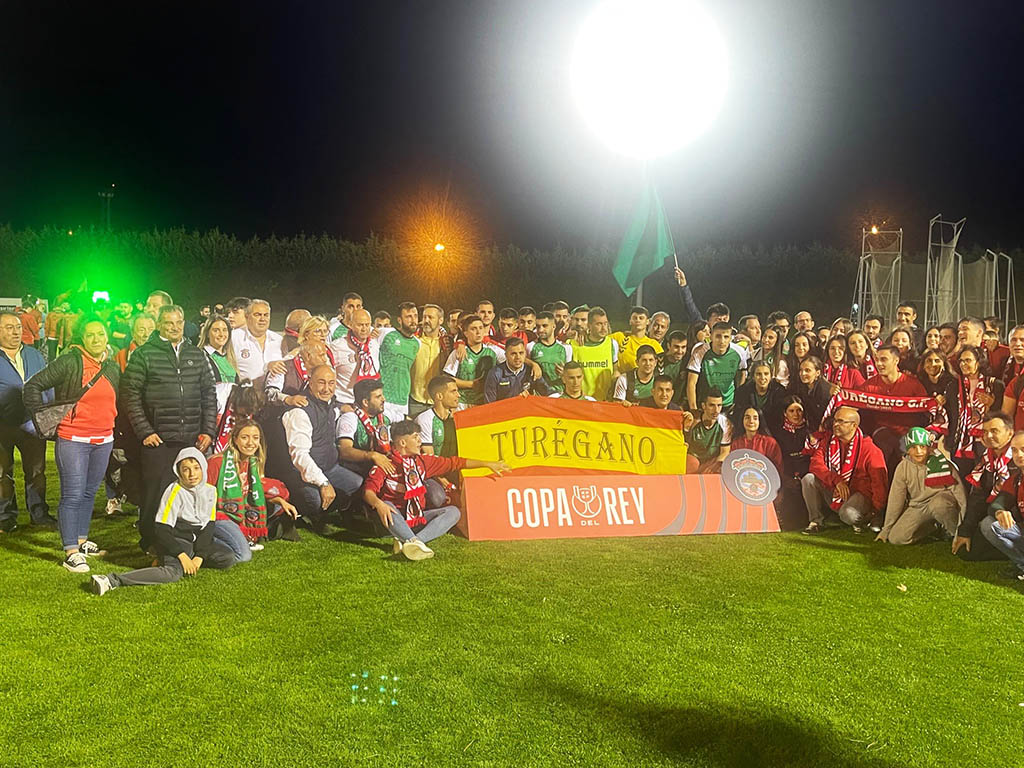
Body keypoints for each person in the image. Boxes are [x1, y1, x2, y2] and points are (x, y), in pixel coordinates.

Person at [119, 304, 217, 552]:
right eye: (169, 323)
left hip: (192, 439)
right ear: (159, 324)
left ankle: (184, 542)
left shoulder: (196, 354)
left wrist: (208, 429)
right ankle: (151, 543)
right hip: (158, 440)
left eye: (179, 322)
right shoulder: (144, 354)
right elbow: (130, 395)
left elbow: (209, 394)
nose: (175, 327)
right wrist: (145, 431)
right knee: (155, 493)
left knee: (191, 489)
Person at [23, 316, 118, 569]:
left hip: (104, 438)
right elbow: (33, 386)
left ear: (107, 337)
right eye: (90, 335)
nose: (96, 339)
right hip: (74, 438)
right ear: (82, 338)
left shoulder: (111, 366)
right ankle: (70, 551)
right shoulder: (70, 361)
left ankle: (82, 539)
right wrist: (42, 418)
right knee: (73, 494)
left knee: (89, 493)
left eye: (100, 334)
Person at [90, 448, 236, 595]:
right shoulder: (174, 491)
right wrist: (181, 555)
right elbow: (162, 529)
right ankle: (112, 580)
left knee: (227, 558)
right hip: (177, 539)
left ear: (203, 468)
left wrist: (199, 557)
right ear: (178, 472)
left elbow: (208, 526)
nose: (192, 474)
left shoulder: (210, 490)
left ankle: (176, 560)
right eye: (186, 469)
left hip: (196, 541)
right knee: (172, 573)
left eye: (196, 468)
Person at [363, 420, 509, 560]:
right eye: (415, 437)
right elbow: (368, 492)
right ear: (402, 442)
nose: (420, 441)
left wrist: (487, 464)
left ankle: (413, 543)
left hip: (416, 518)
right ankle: (413, 541)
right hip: (393, 520)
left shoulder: (422, 461)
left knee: (453, 512)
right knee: (387, 505)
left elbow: (456, 463)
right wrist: (379, 504)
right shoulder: (386, 464)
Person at [276, 365, 360, 533]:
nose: (327, 388)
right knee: (313, 500)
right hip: (298, 473)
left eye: (331, 383)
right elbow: (299, 455)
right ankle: (311, 516)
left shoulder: (331, 404)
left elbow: (335, 407)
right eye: (321, 383)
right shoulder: (299, 412)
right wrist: (323, 483)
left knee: (357, 484)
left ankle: (337, 514)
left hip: (329, 467)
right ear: (310, 383)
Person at [205, 419, 297, 559]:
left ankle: (240, 538)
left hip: (239, 512)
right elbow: (203, 496)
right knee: (243, 556)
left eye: (255, 438)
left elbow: (255, 490)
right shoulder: (217, 462)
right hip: (219, 515)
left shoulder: (252, 462)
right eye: (244, 437)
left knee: (276, 507)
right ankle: (207, 544)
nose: (250, 443)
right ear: (235, 439)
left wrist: (282, 501)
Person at [0, 311, 53, 532]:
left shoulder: (35, 355)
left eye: (18, 327)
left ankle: (39, 514)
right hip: (2, 425)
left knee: (36, 471)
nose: (15, 332)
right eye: (9, 327)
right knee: (2, 472)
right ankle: (5, 517)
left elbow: (48, 385)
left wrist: (48, 415)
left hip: (32, 424)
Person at [801, 406, 887, 535]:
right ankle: (816, 522)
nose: (835, 424)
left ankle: (864, 520)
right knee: (808, 479)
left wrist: (876, 511)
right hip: (835, 489)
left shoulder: (870, 450)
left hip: (859, 495)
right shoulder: (828, 441)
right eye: (835, 420)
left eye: (841, 421)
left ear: (854, 425)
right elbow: (815, 464)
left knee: (848, 515)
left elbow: (879, 483)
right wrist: (836, 480)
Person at [876, 427, 964, 546]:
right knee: (896, 538)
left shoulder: (943, 464)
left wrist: (963, 530)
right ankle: (933, 528)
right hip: (918, 506)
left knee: (938, 505)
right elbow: (896, 498)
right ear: (908, 450)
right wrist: (886, 529)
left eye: (922, 447)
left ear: (929, 448)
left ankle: (953, 533)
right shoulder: (903, 468)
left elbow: (960, 494)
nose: (918, 451)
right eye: (913, 447)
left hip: (942, 503)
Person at [953, 411, 1015, 562]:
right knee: (966, 552)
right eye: (985, 432)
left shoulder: (1018, 459)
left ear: (1010, 433)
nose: (988, 436)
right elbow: (978, 497)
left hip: (1015, 517)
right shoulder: (986, 459)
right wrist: (965, 531)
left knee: (988, 525)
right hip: (995, 513)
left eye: (994, 431)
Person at [860, 344, 929, 477]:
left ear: (896, 361)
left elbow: (927, 410)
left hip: (908, 431)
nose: (879, 364)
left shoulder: (913, 384)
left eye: (884, 359)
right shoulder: (869, 385)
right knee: (884, 444)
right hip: (882, 431)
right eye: (877, 360)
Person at [951, 345, 1004, 475]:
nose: (963, 364)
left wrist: (992, 405)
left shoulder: (994, 385)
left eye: (968, 360)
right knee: (961, 479)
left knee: (983, 480)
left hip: (985, 441)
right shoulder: (953, 386)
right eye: (961, 361)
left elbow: (1003, 416)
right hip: (961, 442)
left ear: (979, 362)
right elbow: (952, 415)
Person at [980, 429, 1024, 580]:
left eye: (1023, 450)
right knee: (988, 524)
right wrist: (1000, 512)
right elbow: (995, 505)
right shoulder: (1016, 479)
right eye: (1014, 450)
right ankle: (1022, 566)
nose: (1019, 455)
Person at [336, 377, 396, 483]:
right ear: (365, 402)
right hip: (357, 470)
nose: (384, 399)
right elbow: (344, 451)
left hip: (380, 466)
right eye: (378, 397)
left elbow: (407, 423)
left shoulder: (384, 415)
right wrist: (371, 456)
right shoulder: (350, 417)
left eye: (382, 395)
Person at [266, 315, 334, 405]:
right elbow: (270, 391)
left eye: (325, 331)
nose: (322, 335)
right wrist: (287, 399)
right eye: (317, 331)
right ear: (306, 334)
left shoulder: (329, 354)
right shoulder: (289, 361)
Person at [686, 322, 747, 413]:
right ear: (711, 337)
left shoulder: (739, 352)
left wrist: (738, 401)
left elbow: (742, 375)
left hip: (728, 404)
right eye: (718, 336)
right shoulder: (700, 352)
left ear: (730, 338)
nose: (722, 341)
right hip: (706, 404)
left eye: (726, 337)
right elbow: (691, 383)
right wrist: (693, 409)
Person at [443, 314, 502, 408]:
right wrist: (471, 384)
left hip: (485, 402)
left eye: (480, 328)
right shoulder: (458, 352)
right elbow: (447, 379)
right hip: (462, 403)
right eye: (473, 329)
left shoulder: (493, 351)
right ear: (465, 333)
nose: (478, 332)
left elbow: (512, 360)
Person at [379, 302, 422, 421]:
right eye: (408, 317)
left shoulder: (417, 344)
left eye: (415, 316)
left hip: (402, 399)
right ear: (399, 320)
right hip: (383, 397)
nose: (413, 320)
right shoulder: (385, 334)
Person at [329, 308, 381, 405]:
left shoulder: (374, 345)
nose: (364, 329)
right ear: (351, 325)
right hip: (344, 402)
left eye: (367, 324)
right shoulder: (337, 346)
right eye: (360, 325)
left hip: (368, 404)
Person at [569, 307, 618, 402]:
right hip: (582, 401)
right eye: (599, 324)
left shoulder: (612, 344)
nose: (604, 328)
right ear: (589, 325)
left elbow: (615, 371)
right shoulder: (572, 345)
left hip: (605, 402)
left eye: (605, 323)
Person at [198, 314, 240, 425]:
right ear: (207, 333)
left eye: (225, 330)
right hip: (210, 416)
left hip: (231, 415)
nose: (221, 334)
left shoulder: (230, 357)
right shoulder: (199, 355)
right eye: (216, 330)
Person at [231, 299, 283, 385]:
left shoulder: (279, 340)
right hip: (245, 395)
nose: (262, 319)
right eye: (257, 315)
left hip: (275, 395)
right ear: (247, 317)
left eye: (266, 315)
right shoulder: (234, 338)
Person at [917, 348, 958, 454]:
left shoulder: (953, 383)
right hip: (924, 425)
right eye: (929, 360)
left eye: (937, 360)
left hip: (948, 429)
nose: (933, 364)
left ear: (944, 363)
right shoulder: (919, 382)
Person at [409, 303, 446, 417]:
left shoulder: (446, 343)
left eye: (430, 317)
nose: (426, 320)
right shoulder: (414, 341)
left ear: (440, 320)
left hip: (438, 402)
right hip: (415, 401)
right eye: (424, 317)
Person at [685, 388, 731, 474]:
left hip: (711, 461)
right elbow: (684, 446)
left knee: (722, 465)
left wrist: (714, 467)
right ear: (703, 406)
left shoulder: (725, 423)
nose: (716, 410)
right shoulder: (693, 420)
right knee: (691, 462)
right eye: (711, 405)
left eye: (719, 405)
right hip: (694, 460)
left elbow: (725, 452)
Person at [731, 361, 786, 433]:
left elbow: (780, 419)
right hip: (749, 431)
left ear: (771, 376)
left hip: (773, 431)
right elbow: (739, 417)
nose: (763, 377)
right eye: (758, 374)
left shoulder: (780, 392)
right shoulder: (743, 391)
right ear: (753, 376)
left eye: (766, 374)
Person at [528, 311, 573, 394]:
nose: (540, 330)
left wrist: (564, 374)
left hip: (559, 394)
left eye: (544, 326)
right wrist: (533, 364)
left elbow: (570, 374)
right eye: (538, 326)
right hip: (539, 396)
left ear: (553, 326)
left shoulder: (566, 348)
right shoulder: (531, 347)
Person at [730, 407, 783, 475]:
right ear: (742, 420)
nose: (751, 421)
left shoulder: (770, 442)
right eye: (747, 418)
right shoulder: (736, 443)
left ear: (760, 421)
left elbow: (778, 468)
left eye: (755, 418)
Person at [416, 375, 460, 456]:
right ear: (439, 396)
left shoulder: (458, 418)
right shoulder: (424, 420)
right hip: (437, 467)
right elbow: (429, 456)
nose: (458, 395)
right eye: (453, 391)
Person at [609, 306, 663, 372]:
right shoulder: (618, 337)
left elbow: (660, 369)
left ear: (647, 322)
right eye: (635, 318)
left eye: (641, 318)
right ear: (630, 321)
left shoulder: (654, 345)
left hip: (643, 380)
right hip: (621, 380)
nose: (638, 320)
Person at [484, 337, 536, 402]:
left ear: (525, 353)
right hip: (503, 411)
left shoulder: (531, 371)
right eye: (513, 354)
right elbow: (489, 404)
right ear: (506, 355)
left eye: (521, 353)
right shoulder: (495, 373)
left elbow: (548, 393)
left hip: (525, 410)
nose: (518, 357)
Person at [788, 356, 832, 433]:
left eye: (807, 370)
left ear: (817, 373)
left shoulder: (825, 390)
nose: (802, 373)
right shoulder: (801, 386)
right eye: (801, 370)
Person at [774, 395, 811, 482]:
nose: (796, 414)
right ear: (785, 413)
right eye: (791, 411)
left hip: (807, 474)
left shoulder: (810, 431)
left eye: (799, 410)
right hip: (787, 477)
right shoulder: (778, 433)